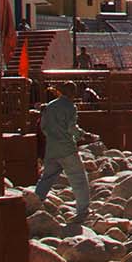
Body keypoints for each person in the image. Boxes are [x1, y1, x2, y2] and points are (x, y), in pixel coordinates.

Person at [34, 85, 91, 225]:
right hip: (67, 148)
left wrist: (53, 138)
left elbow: (43, 127)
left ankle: (33, 205)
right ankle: (83, 211)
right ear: (73, 93)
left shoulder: (50, 106)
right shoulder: (70, 107)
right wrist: (82, 135)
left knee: (47, 178)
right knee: (79, 180)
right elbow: (72, 128)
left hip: (52, 148)